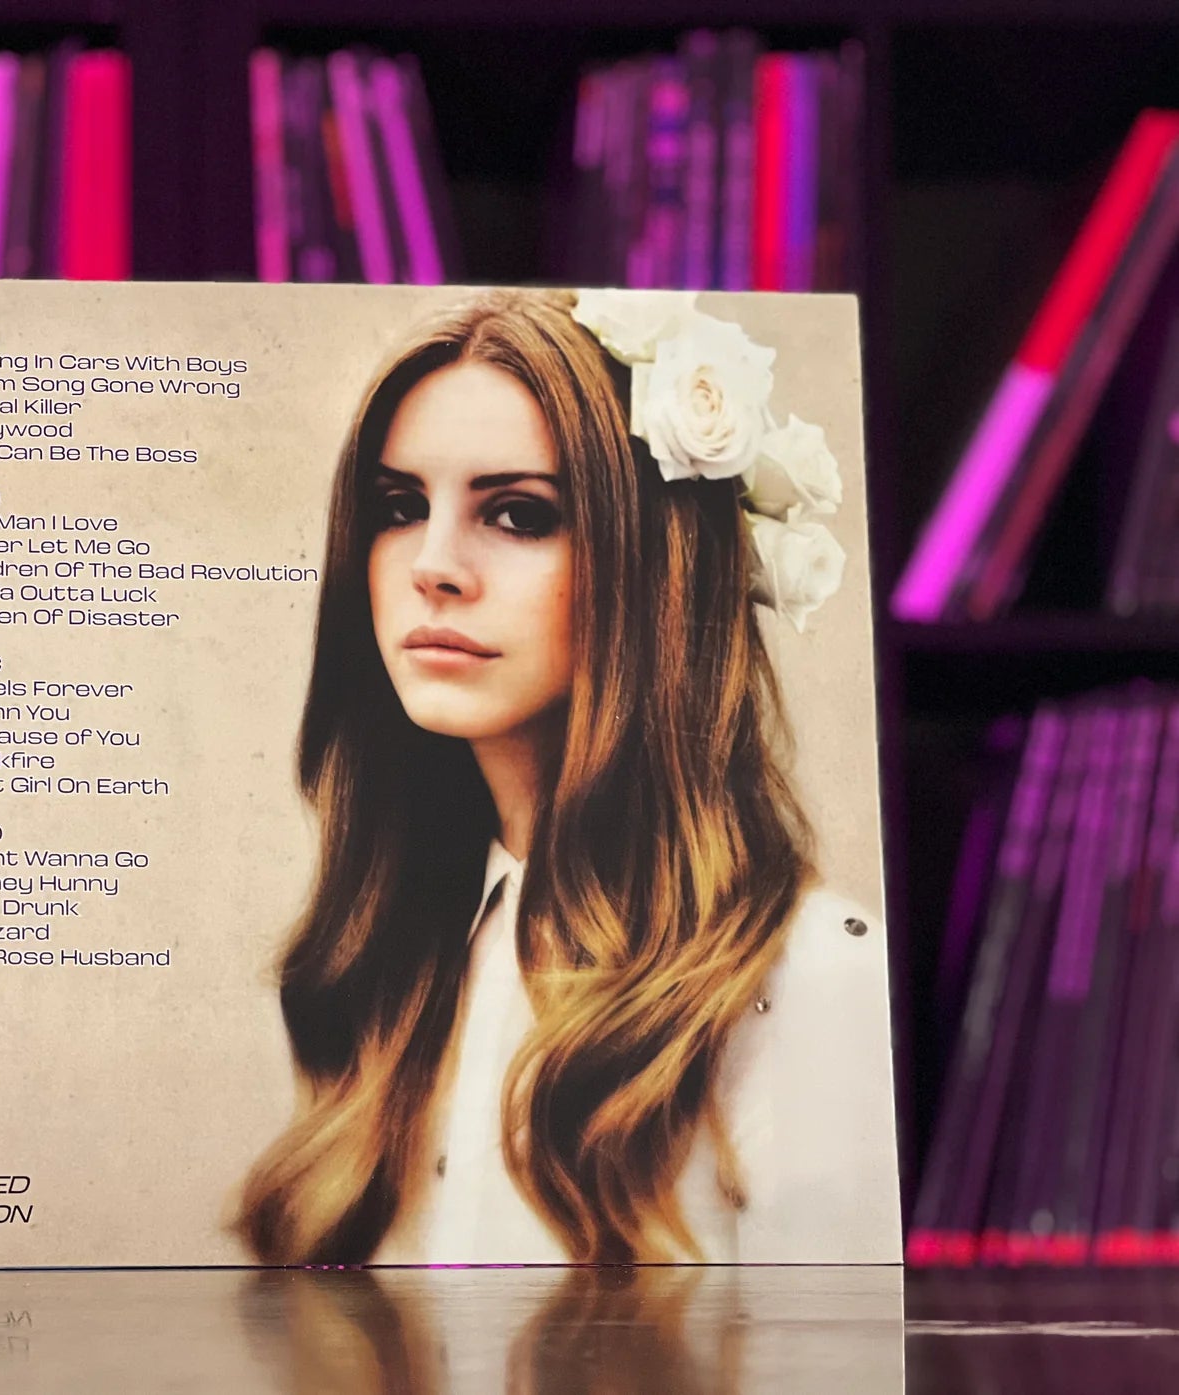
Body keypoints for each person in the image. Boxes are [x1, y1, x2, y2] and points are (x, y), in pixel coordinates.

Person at [232, 288, 896, 1266]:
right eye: (399, 508)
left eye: (518, 514)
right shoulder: (397, 965)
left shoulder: (809, 979)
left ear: (657, 564)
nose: (433, 566)